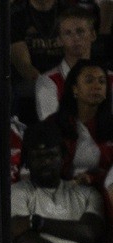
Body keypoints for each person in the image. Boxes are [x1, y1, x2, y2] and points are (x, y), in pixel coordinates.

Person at [11, 121, 107, 243]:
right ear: (27, 161)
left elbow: (89, 233)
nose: (45, 162)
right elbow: (24, 240)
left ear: (63, 157)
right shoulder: (16, 192)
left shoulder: (87, 193)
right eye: (38, 157)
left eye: (51, 155)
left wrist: (35, 222)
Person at [41, 59, 113, 188]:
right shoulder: (54, 124)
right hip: (58, 191)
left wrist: (92, 178)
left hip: (103, 193)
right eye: (89, 80)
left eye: (102, 82)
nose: (97, 86)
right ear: (74, 88)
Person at [35, 7, 107, 122]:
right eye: (68, 33)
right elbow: (51, 128)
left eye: (80, 31)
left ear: (93, 35)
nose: (75, 38)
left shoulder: (110, 79)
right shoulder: (48, 81)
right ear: (59, 40)